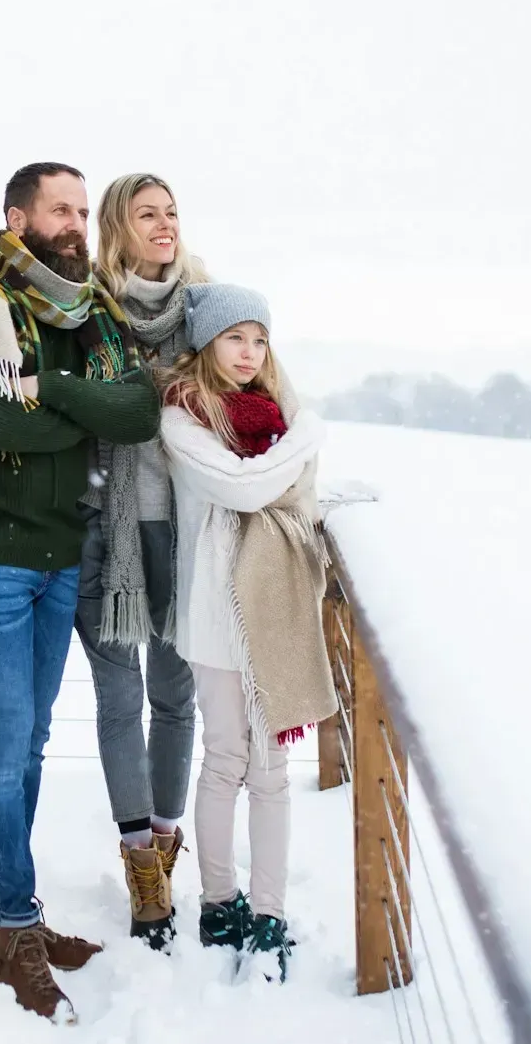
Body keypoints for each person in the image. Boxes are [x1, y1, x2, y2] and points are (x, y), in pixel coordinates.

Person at [0, 161, 162, 1022]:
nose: (79, 222)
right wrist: (78, 413)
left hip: (58, 553)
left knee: (33, 735)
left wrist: (49, 390)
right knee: (6, 733)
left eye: (85, 210)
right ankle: (18, 923)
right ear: (17, 216)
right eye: (62, 208)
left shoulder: (87, 312)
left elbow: (137, 411)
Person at [158, 283, 335, 983]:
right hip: (214, 614)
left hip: (272, 611)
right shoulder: (183, 418)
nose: (249, 352)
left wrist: (295, 437)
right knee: (227, 756)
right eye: (236, 337)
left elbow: (285, 486)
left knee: (272, 771)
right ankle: (217, 901)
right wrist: (308, 437)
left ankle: (269, 913)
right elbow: (245, 487)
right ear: (207, 342)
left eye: (259, 340)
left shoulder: (273, 415)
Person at [76, 173, 210, 949]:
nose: (164, 226)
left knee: (175, 698)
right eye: (146, 214)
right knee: (119, 699)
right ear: (117, 228)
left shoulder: (205, 308)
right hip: (106, 529)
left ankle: (166, 839)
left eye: (171, 213)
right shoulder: (85, 310)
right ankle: (139, 863)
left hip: (187, 532)